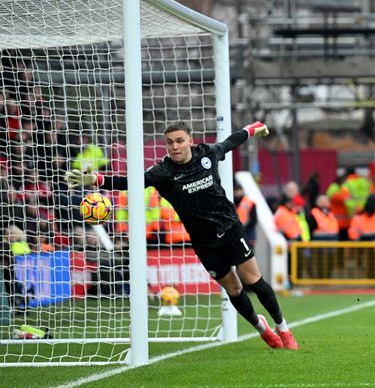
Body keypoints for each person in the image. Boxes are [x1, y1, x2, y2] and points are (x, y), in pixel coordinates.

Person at [64, 121, 298, 350]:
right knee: (234, 289)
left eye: (179, 141)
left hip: (230, 230)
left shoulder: (207, 154)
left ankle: (283, 327)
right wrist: (95, 179)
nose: (174, 146)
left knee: (254, 280)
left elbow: (231, 141)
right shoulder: (163, 172)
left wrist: (253, 128)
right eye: (169, 143)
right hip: (204, 242)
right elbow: (130, 182)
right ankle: (262, 328)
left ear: (190, 141)